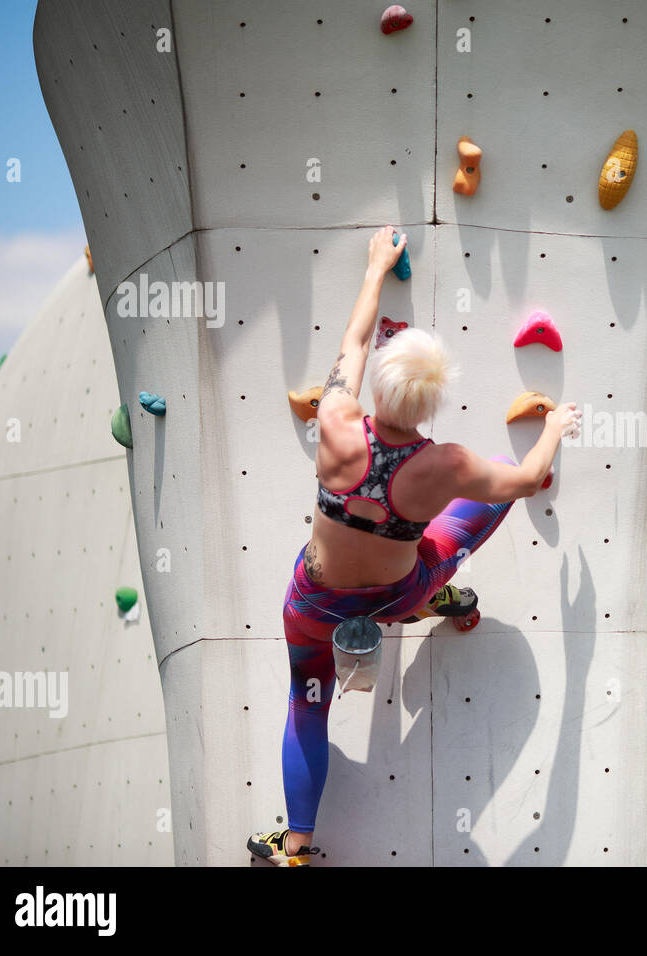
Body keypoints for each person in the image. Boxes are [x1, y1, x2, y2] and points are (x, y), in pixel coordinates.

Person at [248, 227, 579, 866]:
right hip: (396, 594)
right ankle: (433, 599)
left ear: (377, 385)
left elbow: (354, 337)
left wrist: (375, 267)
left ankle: (295, 848)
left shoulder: (336, 420)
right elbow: (525, 480)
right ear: (430, 404)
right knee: (485, 496)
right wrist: (555, 428)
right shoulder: (444, 465)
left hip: (313, 604)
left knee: (306, 703)